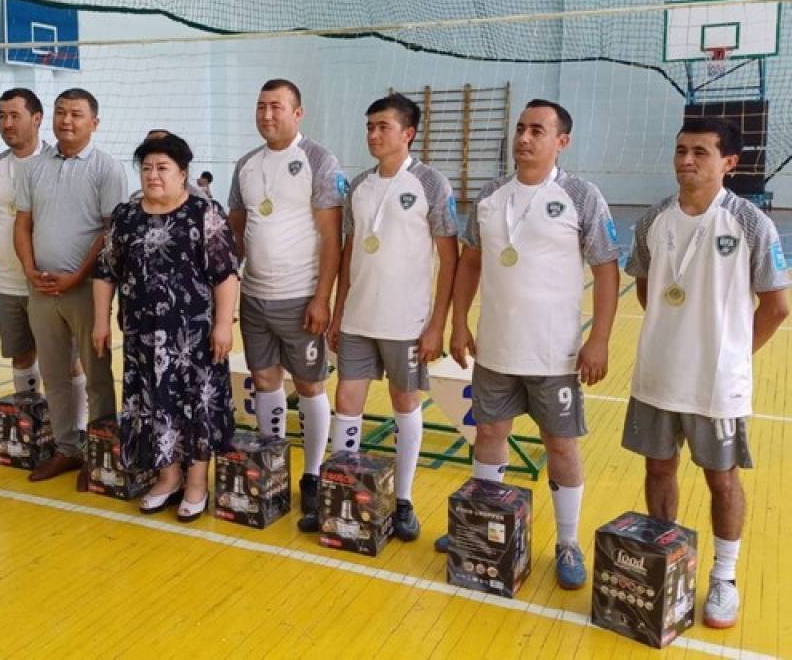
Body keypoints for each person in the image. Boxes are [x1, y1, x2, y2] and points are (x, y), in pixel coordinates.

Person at [434, 99, 620, 591]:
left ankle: (567, 541)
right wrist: (458, 323)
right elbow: (470, 263)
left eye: (538, 130)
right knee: (489, 433)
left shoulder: (581, 195)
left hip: (555, 354)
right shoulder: (491, 194)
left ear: (562, 141)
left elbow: (606, 269)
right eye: (520, 127)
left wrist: (599, 338)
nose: (524, 137)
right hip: (496, 348)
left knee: (560, 445)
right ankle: (479, 526)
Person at [624, 117, 789, 628]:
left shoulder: (750, 224)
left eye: (700, 152)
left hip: (716, 384)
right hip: (657, 376)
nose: (687, 160)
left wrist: (736, 354)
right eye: (681, 150)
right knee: (658, 470)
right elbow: (646, 289)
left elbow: (777, 306)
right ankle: (665, 557)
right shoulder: (654, 219)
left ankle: (724, 577)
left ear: (729, 163)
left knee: (722, 480)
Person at [327, 93, 458, 541]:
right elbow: (349, 253)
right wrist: (337, 313)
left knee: (405, 404)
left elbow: (450, 258)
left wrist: (437, 324)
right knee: (347, 402)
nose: (374, 134)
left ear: (408, 133)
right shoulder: (358, 186)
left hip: (407, 323)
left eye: (383, 126)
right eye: (370, 126)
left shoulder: (431, 184)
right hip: (357, 319)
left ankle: (403, 500)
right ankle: (342, 492)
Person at [93, 133, 239, 521]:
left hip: (194, 336)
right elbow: (106, 271)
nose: (153, 175)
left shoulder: (204, 213)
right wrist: (100, 321)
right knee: (153, 403)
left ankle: (197, 482)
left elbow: (226, 274)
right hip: (141, 335)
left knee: (196, 404)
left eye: (162, 168)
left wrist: (223, 324)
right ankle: (168, 476)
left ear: (182, 173)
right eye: (146, 168)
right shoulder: (126, 216)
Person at [227, 78, 346, 532]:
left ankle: (312, 474)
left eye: (276, 106)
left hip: (301, 297)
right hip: (255, 296)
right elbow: (236, 234)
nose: (266, 115)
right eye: (261, 106)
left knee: (310, 385)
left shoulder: (318, 160)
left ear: (298, 113)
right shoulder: (245, 165)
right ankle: (271, 461)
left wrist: (322, 297)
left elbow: (332, 237)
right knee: (264, 379)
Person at [14, 88, 127, 482]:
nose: (67, 120)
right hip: (42, 290)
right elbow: (22, 224)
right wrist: (30, 269)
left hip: (86, 290)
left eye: (76, 114)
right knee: (55, 374)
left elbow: (110, 231)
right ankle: (67, 449)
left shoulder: (107, 169)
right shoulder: (34, 167)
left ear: (94, 122)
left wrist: (78, 275)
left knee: (97, 375)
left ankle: (100, 453)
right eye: (61, 112)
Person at [0, 88, 88, 430]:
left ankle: (77, 428)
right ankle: (30, 428)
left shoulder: (57, 164)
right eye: (2, 116)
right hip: (10, 283)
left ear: (37, 119)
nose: (7, 123)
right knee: (21, 355)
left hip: (51, 282)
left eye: (15, 116)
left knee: (66, 359)